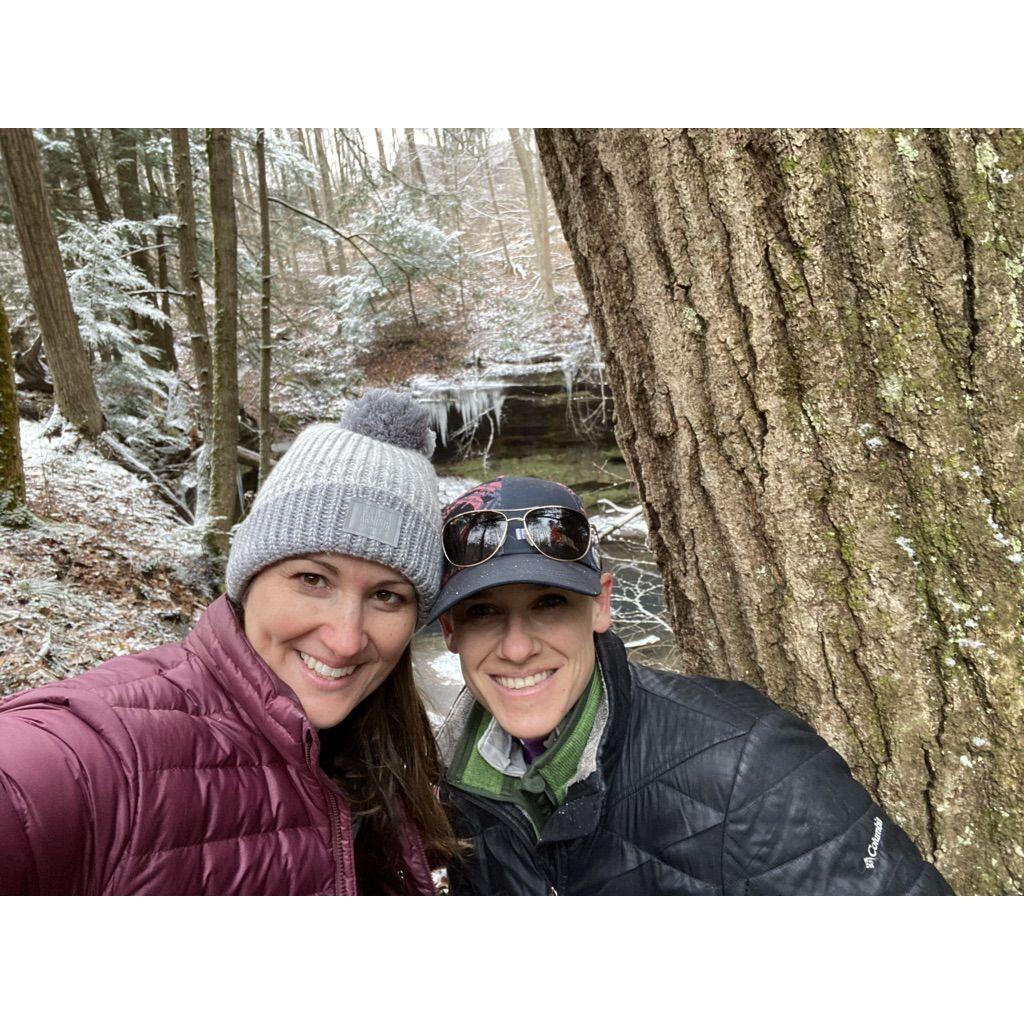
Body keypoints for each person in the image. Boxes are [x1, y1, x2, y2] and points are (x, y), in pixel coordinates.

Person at [0, 390, 461, 895]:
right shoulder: (96, 754)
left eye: (387, 596)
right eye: (312, 580)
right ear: (248, 578)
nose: (346, 639)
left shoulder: (386, 755)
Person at [431, 475, 954, 895]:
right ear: (450, 632)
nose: (517, 648)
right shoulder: (453, 777)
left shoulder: (750, 766)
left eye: (549, 603)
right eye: (483, 612)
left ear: (601, 605)